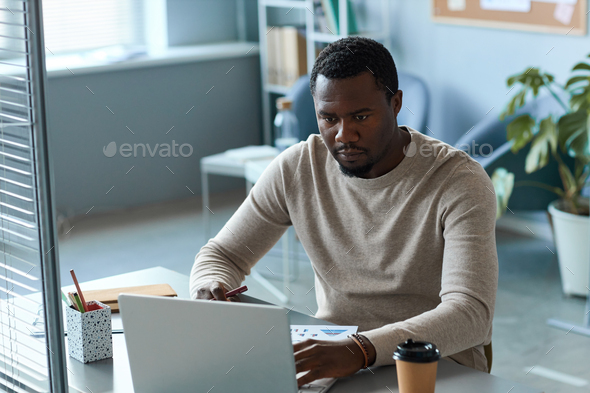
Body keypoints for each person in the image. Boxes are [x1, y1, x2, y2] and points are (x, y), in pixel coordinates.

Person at [190, 37, 498, 387]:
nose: (343, 135)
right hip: (333, 361)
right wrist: (209, 285)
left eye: (361, 116)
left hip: (434, 366)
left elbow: (471, 314)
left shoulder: (458, 181)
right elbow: (223, 254)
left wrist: (363, 349)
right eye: (328, 118)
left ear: (396, 104)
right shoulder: (297, 168)